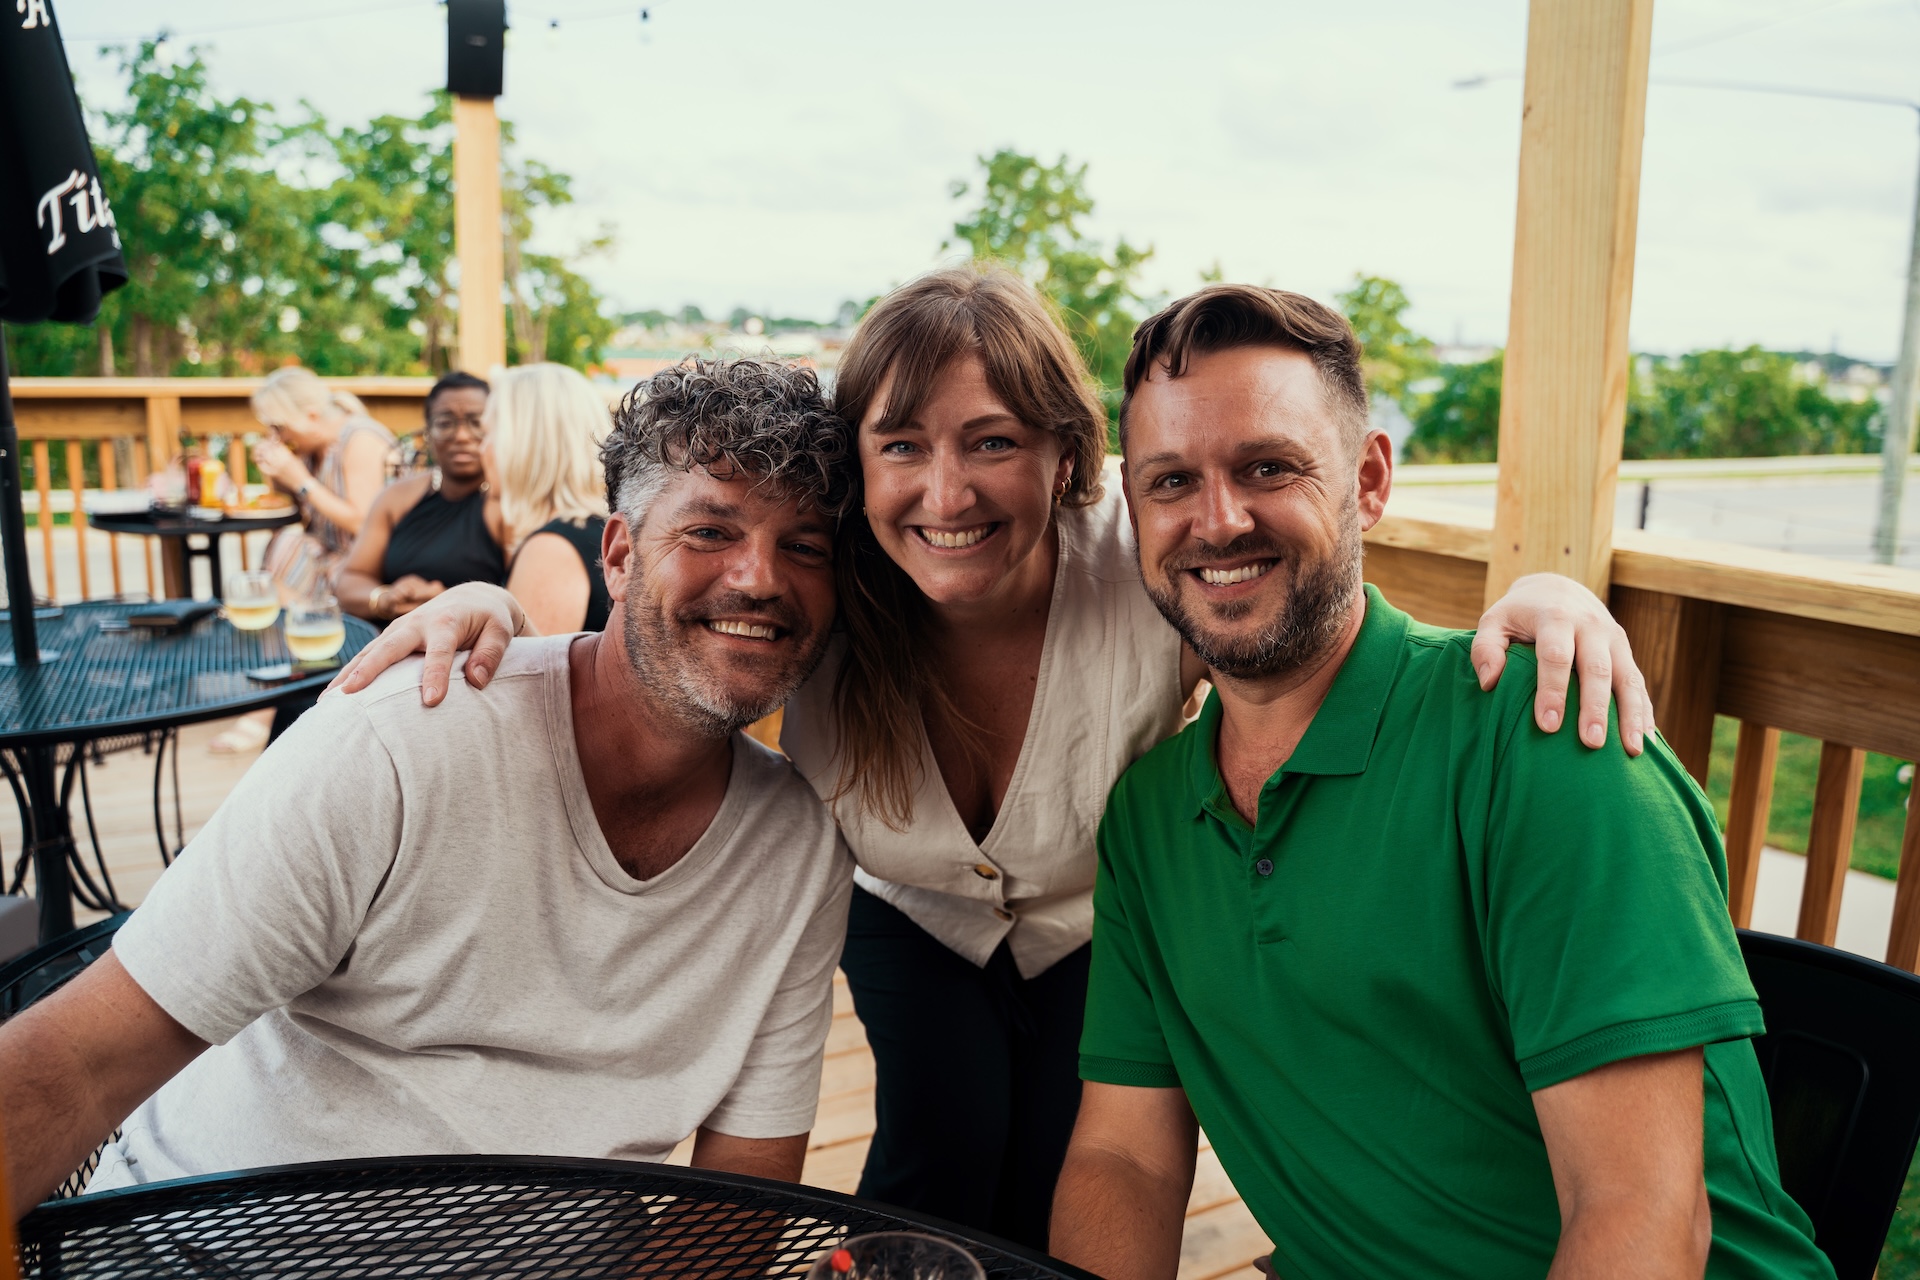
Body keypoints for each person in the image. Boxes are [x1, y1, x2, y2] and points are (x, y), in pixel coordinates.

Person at [333, 267, 1655, 1251]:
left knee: (1077, 1165)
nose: (946, 492)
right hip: (912, 916)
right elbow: (641, 623)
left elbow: (1290, 611)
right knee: (934, 1152)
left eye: (992, 443)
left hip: (1104, 916)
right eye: (901, 445)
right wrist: (498, 614)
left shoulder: (1145, 563)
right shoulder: (826, 580)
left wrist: (1544, 596)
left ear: (1070, 458)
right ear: (856, 469)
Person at [1049, 285, 1831, 1279]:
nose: (1218, 519)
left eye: (1269, 467)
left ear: (1369, 479)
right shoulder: (1149, 817)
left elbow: (1642, 1222)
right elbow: (1123, 1155)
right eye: (1170, 481)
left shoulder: (1547, 745)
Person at [0, 358, 855, 1213]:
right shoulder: (405, 736)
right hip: (197, 1247)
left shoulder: (798, 852)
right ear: (620, 557)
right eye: (710, 532)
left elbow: (734, 1202)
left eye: (804, 546)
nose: (760, 578)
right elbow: (78, 1061)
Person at [209, 366, 397, 753]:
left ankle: (272, 699)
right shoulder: (315, 449)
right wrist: (281, 477)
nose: (280, 437)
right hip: (333, 554)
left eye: (281, 427)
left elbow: (364, 523)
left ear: (309, 415)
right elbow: (308, 515)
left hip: (373, 560)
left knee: (288, 552)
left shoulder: (360, 439)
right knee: (286, 545)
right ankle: (290, 681)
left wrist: (298, 478)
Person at [337, 370, 509, 624]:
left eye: (477, 422)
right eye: (445, 423)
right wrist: (385, 598)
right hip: (389, 643)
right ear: (427, 433)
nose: (461, 436)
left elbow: (526, 599)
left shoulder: (508, 503)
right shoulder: (397, 497)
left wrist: (451, 604)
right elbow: (350, 579)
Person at [490, 362, 617, 634]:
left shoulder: (552, 551)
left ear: (525, 445)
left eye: (490, 432)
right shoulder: (594, 531)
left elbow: (528, 673)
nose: (482, 447)